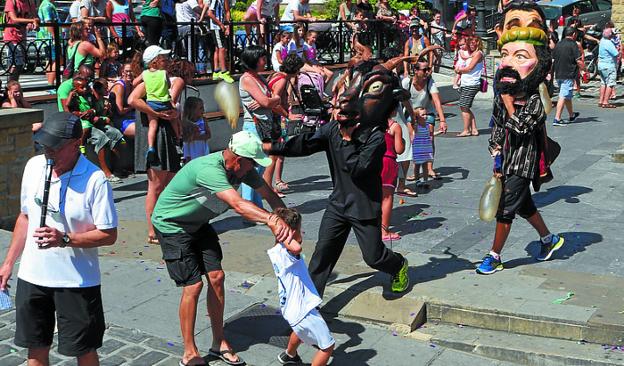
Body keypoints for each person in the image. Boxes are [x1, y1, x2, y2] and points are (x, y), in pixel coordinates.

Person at [268, 57, 411, 297]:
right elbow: (306, 144)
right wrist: (270, 147)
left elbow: (358, 168)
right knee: (322, 256)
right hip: (338, 205)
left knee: (373, 257)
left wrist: (346, 140)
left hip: (365, 208)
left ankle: (398, 265)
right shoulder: (333, 129)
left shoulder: (375, 138)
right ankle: (308, 307)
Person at [151, 131, 294, 366]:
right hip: (172, 225)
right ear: (238, 159)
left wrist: (288, 222)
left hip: (198, 224)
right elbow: (238, 205)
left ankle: (219, 342)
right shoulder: (210, 170)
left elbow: (269, 195)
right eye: (252, 164)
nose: (254, 169)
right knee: (193, 286)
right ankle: (189, 352)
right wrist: (272, 221)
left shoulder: (241, 169)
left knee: (217, 277)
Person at [0, 111, 117, 365]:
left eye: (54, 146)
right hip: (33, 277)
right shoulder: (34, 166)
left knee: (84, 350)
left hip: (76, 282)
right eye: (44, 144)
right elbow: (25, 217)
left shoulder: (95, 179)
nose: (47, 151)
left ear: (76, 145)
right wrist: (8, 263)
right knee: (35, 350)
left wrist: (65, 239)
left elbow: (109, 235)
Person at [479, 2, 564, 275]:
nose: (509, 63)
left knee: (505, 209)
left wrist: (507, 102)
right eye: (505, 55)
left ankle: (494, 256)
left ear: (538, 63)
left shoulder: (535, 100)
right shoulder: (503, 93)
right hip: (504, 161)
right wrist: (493, 148)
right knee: (524, 205)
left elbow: (519, 128)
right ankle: (549, 239)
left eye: (520, 56)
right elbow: (497, 125)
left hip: (522, 163)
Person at [128, 50, 189, 244]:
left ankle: (165, 224)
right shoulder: (152, 80)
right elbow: (132, 100)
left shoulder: (162, 79)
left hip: (164, 134)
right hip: (156, 135)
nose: (168, 59)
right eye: (164, 57)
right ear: (155, 61)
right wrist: (156, 112)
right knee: (155, 185)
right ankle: (153, 230)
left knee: (168, 183)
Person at [268, 208, 335, 366]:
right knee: (327, 346)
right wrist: (277, 228)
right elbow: (297, 248)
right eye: (299, 230)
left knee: (298, 330)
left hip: (291, 308)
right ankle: (290, 355)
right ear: (289, 233)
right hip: (303, 310)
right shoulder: (290, 252)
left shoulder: (276, 251)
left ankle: (289, 355)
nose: (302, 233)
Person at [239, 46, 283, 211]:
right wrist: (271, 100)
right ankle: (249, 207)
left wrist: (270, 100)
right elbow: (267, 101)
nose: (265, 61)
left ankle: (257, 206)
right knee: (252, 168)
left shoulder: (259, 78)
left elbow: (270, 99)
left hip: (264, 125)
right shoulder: (247, 79)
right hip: (254, 126)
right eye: (262, 59)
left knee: (259, 168)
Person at [402, 60, 447, 180]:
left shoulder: (430, 82)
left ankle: (429, 168)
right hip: (411, 112)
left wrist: (442, 120)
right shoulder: (407, 82)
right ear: (416, 71)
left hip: (427, 112)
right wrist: (411, 115)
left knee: (429, 137)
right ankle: (416, 169)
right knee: (414, 140)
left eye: (429, 69)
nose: (428, 72)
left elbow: (436, 101)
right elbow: (403, 100)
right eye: (424, 70)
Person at [138, 46, 180, 164]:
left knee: (152, 125)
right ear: (155, 62)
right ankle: (178, 139)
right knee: (174, 118)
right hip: (164, 102)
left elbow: (134, 82)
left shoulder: (144, 74)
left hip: (151, 103)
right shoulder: (163, 73)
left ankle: (151, 147)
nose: (166, 61)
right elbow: (168, 86)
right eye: (163, 59)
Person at [380, 110, 405, 241]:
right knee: (387, 197)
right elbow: (399, 149)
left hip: (372, 161)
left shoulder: (371, 123)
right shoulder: (394, 126)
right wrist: (403, 142)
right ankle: (383, 231)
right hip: (388, 162)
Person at [552, 26, 583, 126]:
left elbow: (553, 60)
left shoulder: (559, 44)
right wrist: (584, 70)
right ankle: (557, 118)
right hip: (568, 74)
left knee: (567, 96)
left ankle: (571, 115)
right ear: (574, 34)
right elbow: (578, 60)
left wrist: (550, 73)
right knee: (563, 96)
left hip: (559, 74)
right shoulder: (573, 44)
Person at [3, 0, 39, 81]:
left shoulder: (30, 2)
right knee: (16, 64)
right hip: (11, 37)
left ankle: (12, 86)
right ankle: (11, 87)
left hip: (22, 37)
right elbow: (14, 19)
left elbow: (36, 17)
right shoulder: (11, 1)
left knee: (19, 65)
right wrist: (31, 21)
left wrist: (33, 21)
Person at [455, 36, 483, 136]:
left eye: (473, 42)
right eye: (469, 42)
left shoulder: (478, 54)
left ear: (477, 43)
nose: (471, 44)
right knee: (465, 106)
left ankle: (466, 130)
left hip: (472, 83)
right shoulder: (471, 54)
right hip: (466, 83)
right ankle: (474, 129)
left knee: (463, 106)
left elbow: (470, 68)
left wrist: (459, 70)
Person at [205, 0, 234, 82]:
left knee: (218, 48)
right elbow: (210, 13)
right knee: (222, 48)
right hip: (216, 27)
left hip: (219, 26)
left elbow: (227, 10)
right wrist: (220, 24)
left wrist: (227, 25)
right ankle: (223, 71)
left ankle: (216, 71)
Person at [109, 62, 137, 139]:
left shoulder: (131, 86)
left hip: (130, 115)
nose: (129, 73)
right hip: (119, 119)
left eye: (131, 71)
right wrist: (133, 106)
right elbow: (120, 111)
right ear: (122, 72)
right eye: (126, 71)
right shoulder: (120, 86)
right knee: (140, 131)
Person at [37, 0, 59, 92]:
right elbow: (49, 22)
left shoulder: (47, 4)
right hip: (50, 39)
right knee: (54, 60)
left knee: (50, 61)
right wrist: (55, 37)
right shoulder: (47, 5)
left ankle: (50, 85)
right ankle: (51, 85)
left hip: (47, 39)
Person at [181, 96, 211, 162]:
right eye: (200, 108)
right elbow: (184, 138)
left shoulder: (203, 121)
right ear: (192, 110)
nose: (203, 110)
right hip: (190, 151)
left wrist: (196, 137)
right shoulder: (185, 122)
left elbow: (208, 135)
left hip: (202, 149)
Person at [411, 107, 433, 189]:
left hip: (425, 147)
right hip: (418, 148)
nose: (425, 116)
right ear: (417, 116)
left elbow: (430, 135)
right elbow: (413, 134)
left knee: (425, 164)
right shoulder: (416, 126)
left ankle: (425, 180)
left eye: (425, 114)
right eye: (422, 114)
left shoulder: (428, 125)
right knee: (417, 165)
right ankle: (417, 180)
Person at [598, 28, 619, 108]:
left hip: (601, 65)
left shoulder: (602, 40)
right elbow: (616, 54)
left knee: (603, 83)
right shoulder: (609, 43)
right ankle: (605, 102)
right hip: (609, 65)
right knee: (610, 83)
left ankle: (601, 100)